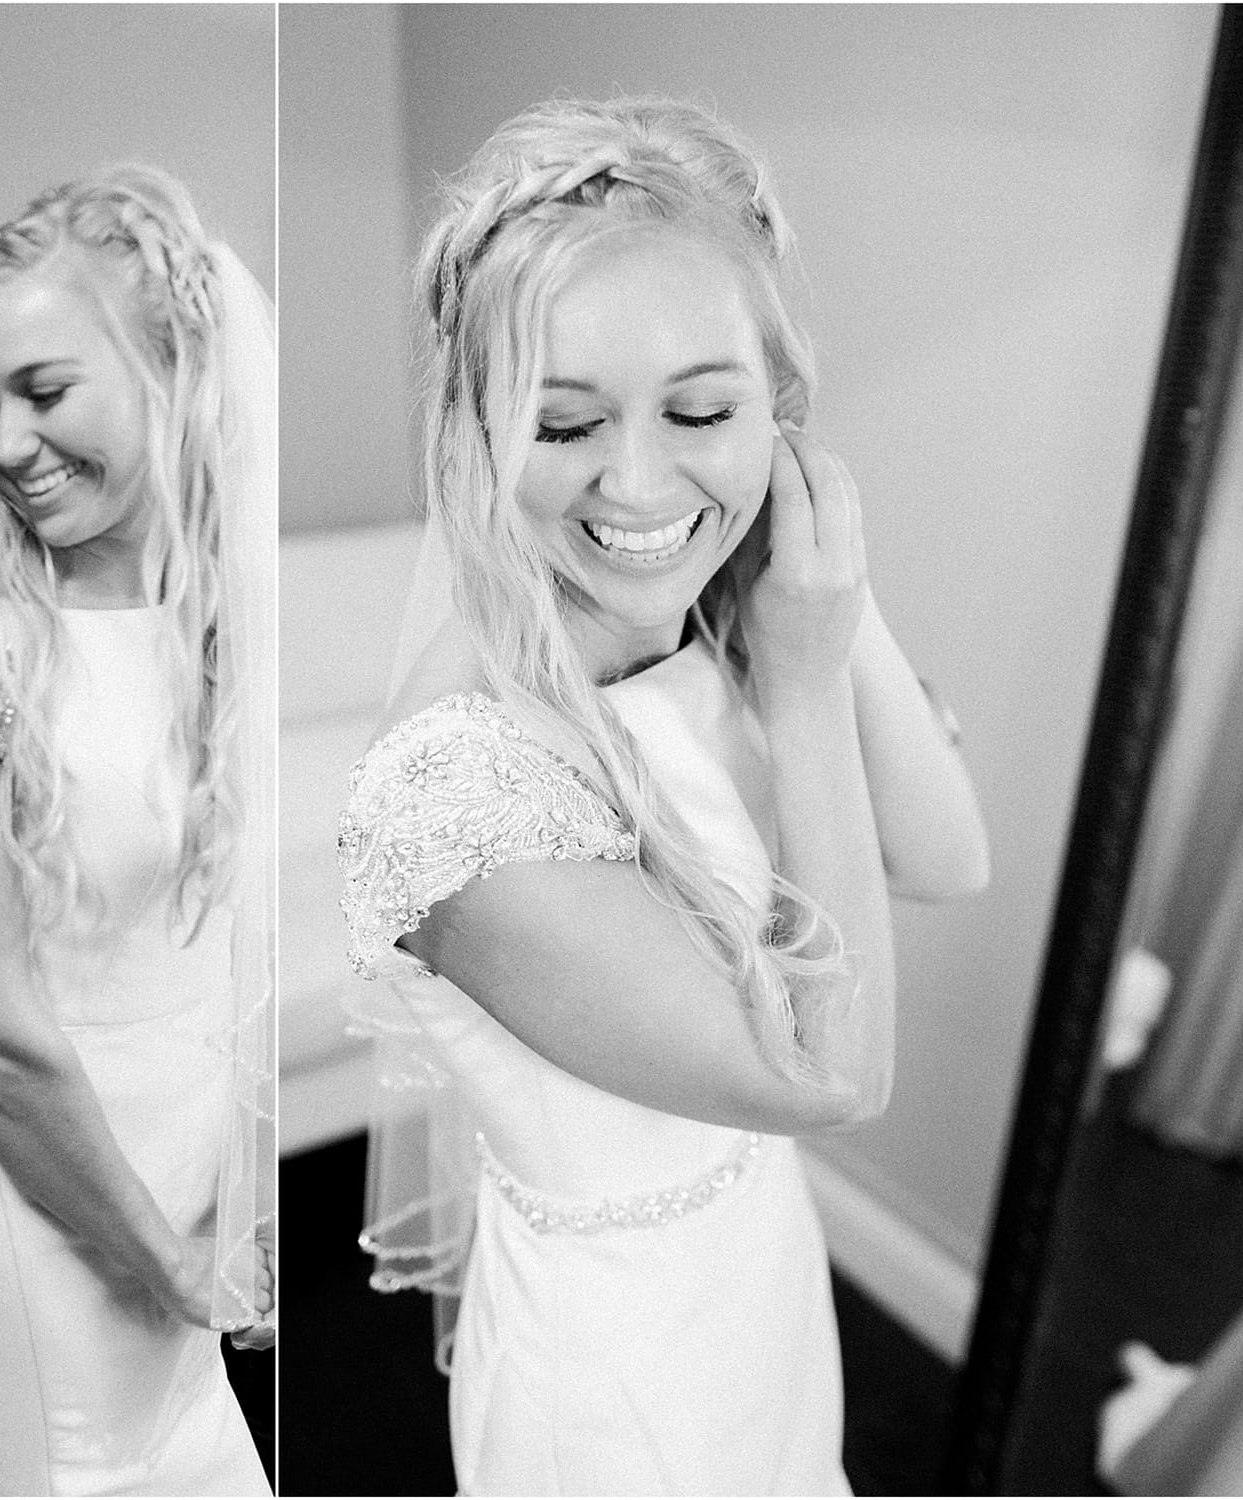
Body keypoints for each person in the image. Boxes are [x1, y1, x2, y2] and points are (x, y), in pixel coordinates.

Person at [338, 97, 991, 1496]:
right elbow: (832, 1076)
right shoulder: (459, 783)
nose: (637, 482)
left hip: (754, 1274)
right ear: (476, 432)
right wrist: (805, 684)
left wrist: (818, 579)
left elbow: (949, 856)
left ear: (782, 409)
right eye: (563, 422)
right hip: (618, 1372)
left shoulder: (716, 621)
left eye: (701, 409)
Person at [0, 163, 276, 1496]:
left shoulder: (222, 621)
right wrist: (165, 1260)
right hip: (41, 1215)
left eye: (44, 390)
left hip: (186, 1159)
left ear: (171, 369)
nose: (6, 442)